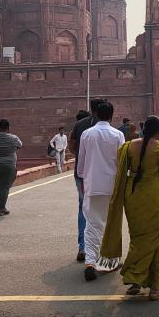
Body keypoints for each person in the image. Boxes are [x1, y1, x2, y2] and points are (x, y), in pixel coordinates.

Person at [101, 115, 159, 300]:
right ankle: (156, 288)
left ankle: (136, 280)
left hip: (132, 196)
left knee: (139, 238)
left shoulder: (127, 146)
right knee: (158, 240)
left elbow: (122, 170)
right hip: (154, 196)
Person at [76, 100, 126, 280]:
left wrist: (83, 178)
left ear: (96, 114)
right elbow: (121, 161)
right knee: (111, 224)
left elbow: (81, 162)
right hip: (112, 185)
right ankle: (107, 261)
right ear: (112, 115)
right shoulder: (118, 135)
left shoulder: (87, 134)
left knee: (92, 224)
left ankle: (90, 261)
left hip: (92, 184)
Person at [70, 102, 101, 263]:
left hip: (81, 174)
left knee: (84, 208)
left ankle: (83, 247)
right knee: (102, 211)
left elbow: (71, 146)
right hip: (101, 175)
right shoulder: (110, 129)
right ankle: (100, 250)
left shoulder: (79, 125)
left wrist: (81, 156)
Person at [0, 119, 22, 216]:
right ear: (8, 128)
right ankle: (2, 208)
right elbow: (20, 145)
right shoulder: (13, 138)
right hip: (8, 164)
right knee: (4, 187)